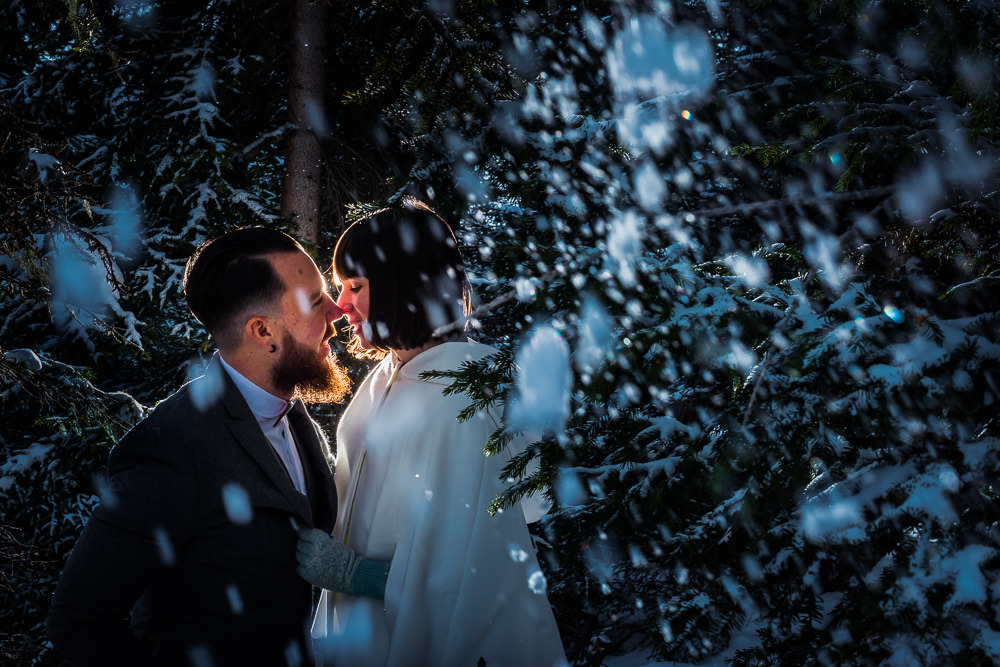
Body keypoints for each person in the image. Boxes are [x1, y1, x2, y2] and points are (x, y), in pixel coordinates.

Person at [47, 228, 354, 666]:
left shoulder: (295, 417)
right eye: (314, 299)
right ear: (262, 330)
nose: (338, 311)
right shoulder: (171, 447)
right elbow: (79, 620)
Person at [296, 200, 567, 666]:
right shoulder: (388, 375)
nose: (341, 307)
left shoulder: (462, 398)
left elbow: (482, 563)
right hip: (363, 635)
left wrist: (365, 577)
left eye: (355, 286)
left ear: (401, 285)